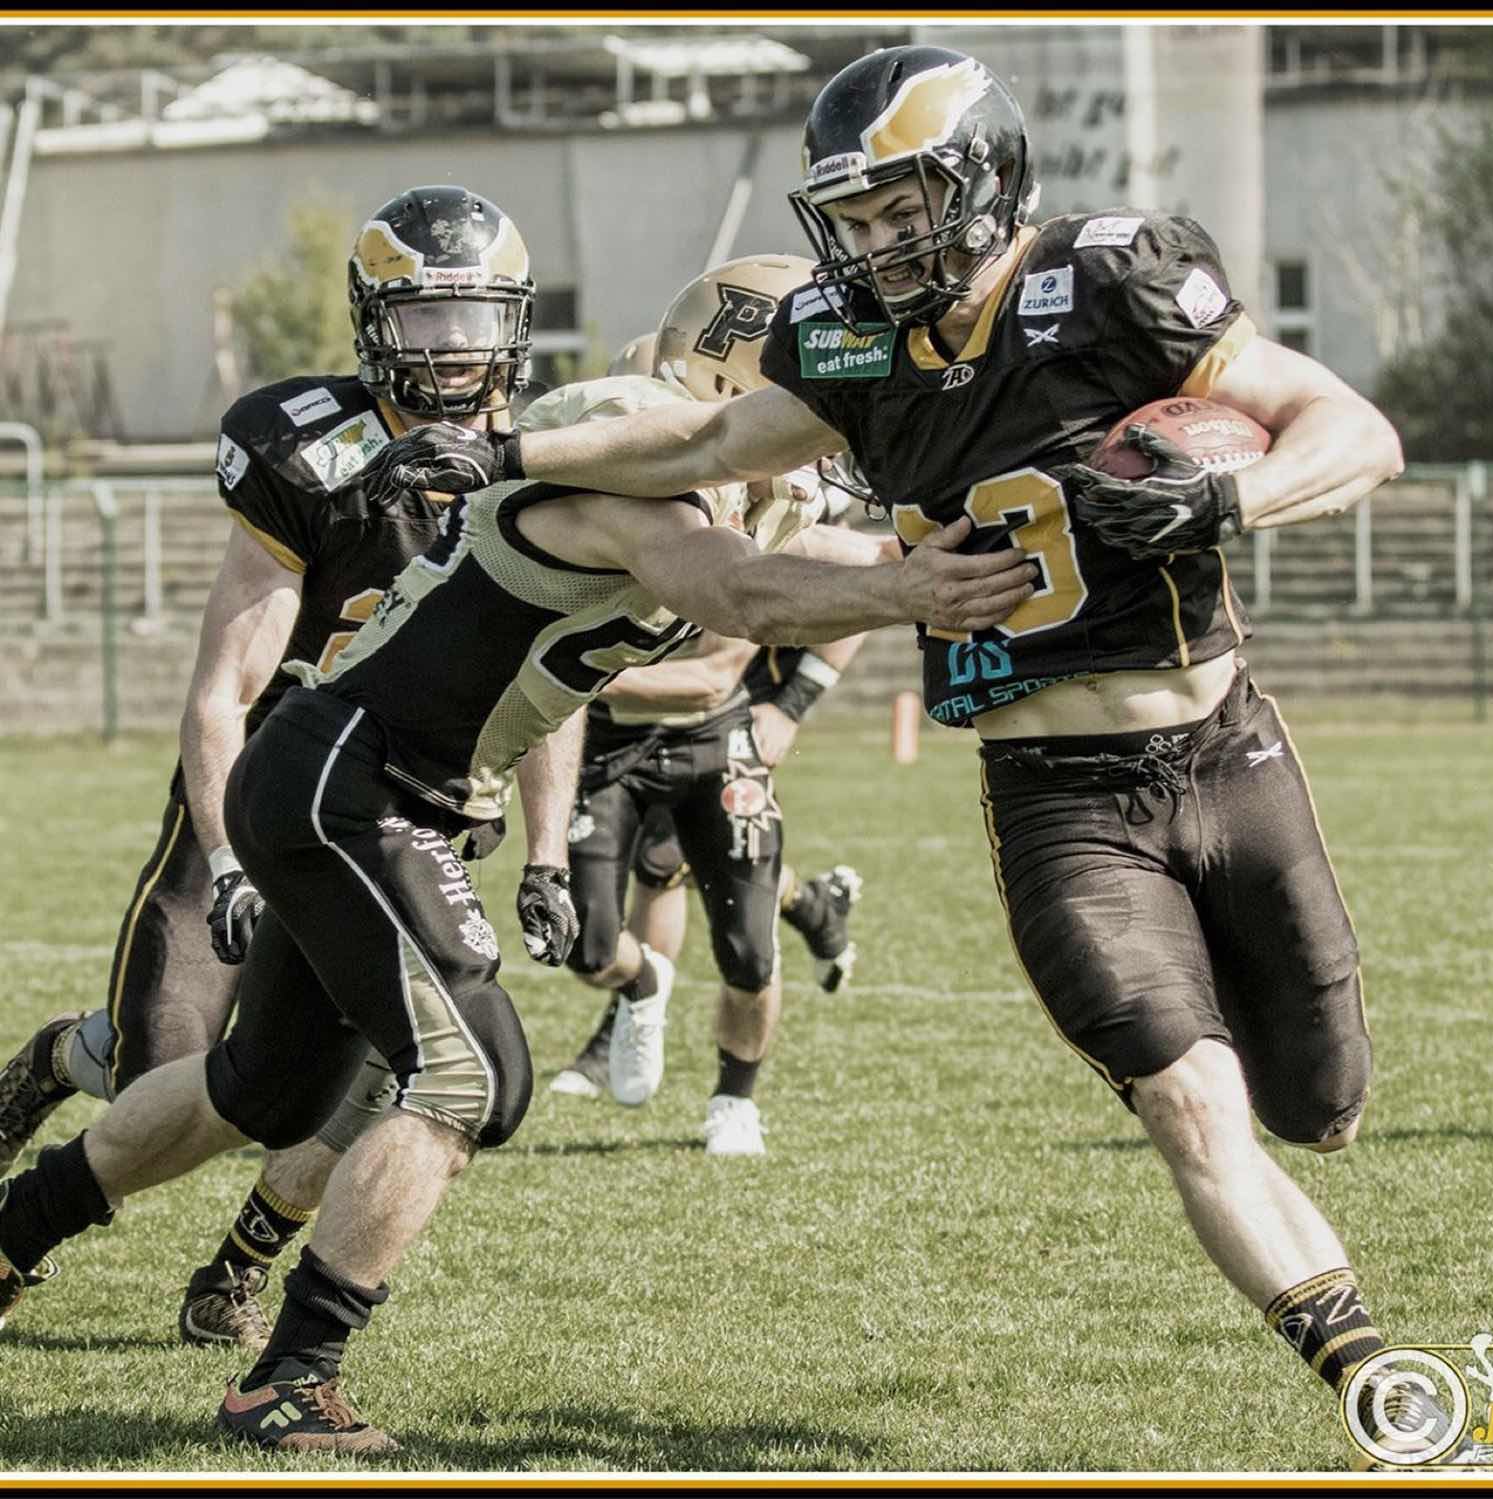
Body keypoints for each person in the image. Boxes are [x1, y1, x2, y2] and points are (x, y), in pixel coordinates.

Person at [363, 45, 1444, 1464]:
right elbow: (708, 438)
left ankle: (1323, 1193)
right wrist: (508, 452)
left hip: (1228, 754)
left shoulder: (1108, 281)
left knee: (1321, 1105)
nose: (875, 244)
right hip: (1057, 800)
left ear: (985, 181)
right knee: (1193, 1103)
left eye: (902, 208)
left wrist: (1230, 498)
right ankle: (1378, 1379)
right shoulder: (851, 342)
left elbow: (1358, 429)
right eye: (854, 218)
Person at [0, 248, 1036, 1453]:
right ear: (733, 380)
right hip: (354, 780)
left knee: (259, 1089)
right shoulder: (627, 451)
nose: (831, 416)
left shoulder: (710, 470)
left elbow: (782, 564)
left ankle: (12, 1234)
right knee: (473, 1076)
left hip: (365, 779)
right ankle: (289, 1375)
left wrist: (955, 541)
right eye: (812, 386)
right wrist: (917, 592)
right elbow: (740, 596)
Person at [0, 184, 582, 1355]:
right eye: (426, 319)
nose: (454, 349)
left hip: (410, 808)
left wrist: (551, 850)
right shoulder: (312, 448)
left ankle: (240, 1266)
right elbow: (224, 687)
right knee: (166, 1061)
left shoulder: (544, 456)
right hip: (274, 784)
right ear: (373, 322)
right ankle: (66, 1055)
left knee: (379, 1073)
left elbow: (553, 676)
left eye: (476, 318)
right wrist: (225, 859)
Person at [542, 269, 868, 1155]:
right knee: (587, 939)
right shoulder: (607, 499)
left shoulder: (756, 498)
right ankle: (643, 991)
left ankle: (735, 1096)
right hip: (604, 744)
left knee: (743, 941)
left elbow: (713, 678)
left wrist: (795, 700)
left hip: (707, 736)